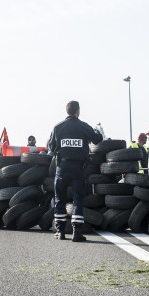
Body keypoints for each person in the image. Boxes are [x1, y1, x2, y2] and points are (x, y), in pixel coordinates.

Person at [47, 100, 103, 242]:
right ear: (78, 111)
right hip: (78, 168)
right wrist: (96, 131)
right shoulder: (84, 126)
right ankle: (77, 232)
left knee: (60, 199)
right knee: (78, 199)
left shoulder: (58, 127)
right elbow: (97, 140)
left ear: (67, 111)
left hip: (62, 167)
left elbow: (51, 147)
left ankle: (60, 232)